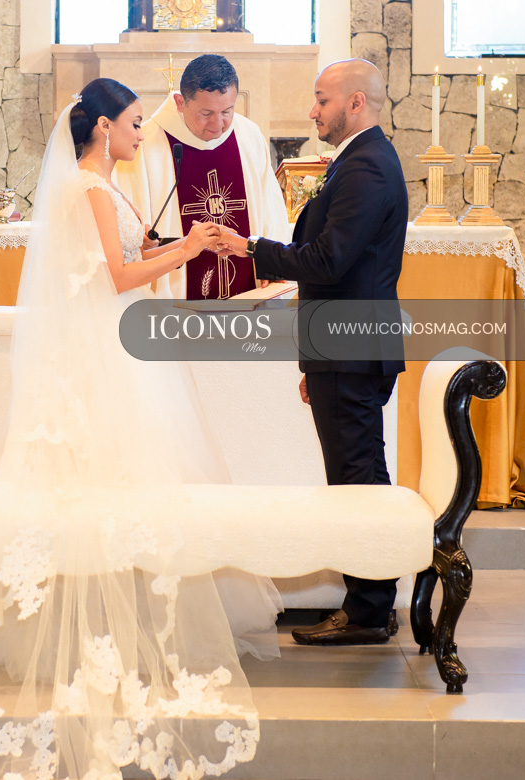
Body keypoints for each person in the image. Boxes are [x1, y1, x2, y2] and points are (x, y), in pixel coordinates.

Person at [0, 79, 281, 780]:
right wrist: (184, 252)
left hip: (114, 351)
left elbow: (123, 256)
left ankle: (120, 607)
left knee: (117, 488)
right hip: (101, 362)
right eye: (134, 122)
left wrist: (170, 241)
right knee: (96, 481)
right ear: (102, 128)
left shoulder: (103, 187)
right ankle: (85, 618)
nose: (141, 133)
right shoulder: (86, 188)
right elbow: (117, 277)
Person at [217, 59, 408, 646]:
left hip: (351, 346)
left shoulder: (368, 167)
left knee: (358, 480)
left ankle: (370, 610)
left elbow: (327, 260)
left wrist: (252, 248)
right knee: (354, 474)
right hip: (341, 347)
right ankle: (369, 601)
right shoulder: (358, 160)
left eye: (321, 99)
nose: (312, 110)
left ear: (355, 103)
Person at [115, 54, 291, 299]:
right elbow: (129, 229)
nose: (218, 124)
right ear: (179, 102)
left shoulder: (248, 134)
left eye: (227, 111)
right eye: (206, 113)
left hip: (248, 295)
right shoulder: (144, 143)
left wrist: (272, 264)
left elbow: (271, 209)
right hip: (173, 301)